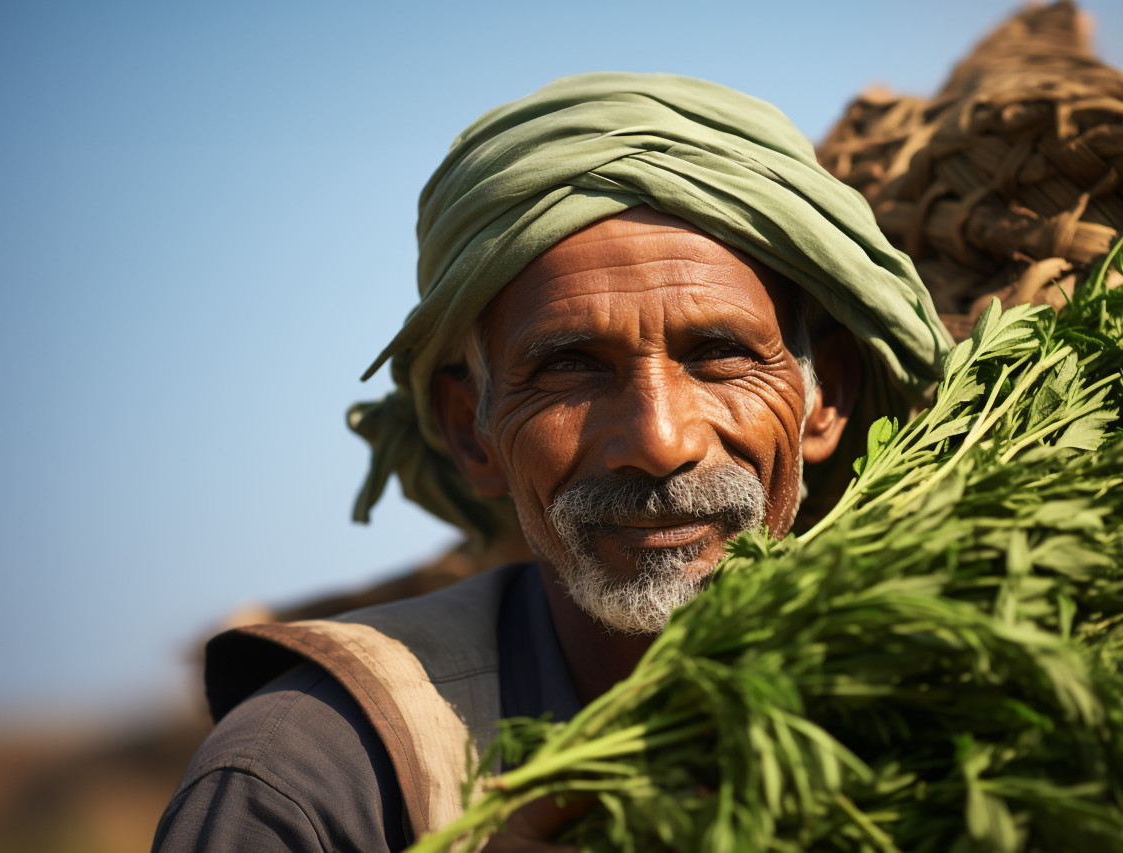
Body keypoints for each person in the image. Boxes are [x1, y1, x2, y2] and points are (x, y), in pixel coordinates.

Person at [152, 72, 952, 852]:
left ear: (827, 398)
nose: (660, 441)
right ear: (474, 431)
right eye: (571, 366)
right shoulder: (307, 774)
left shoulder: (956, 722)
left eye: (718, 354)